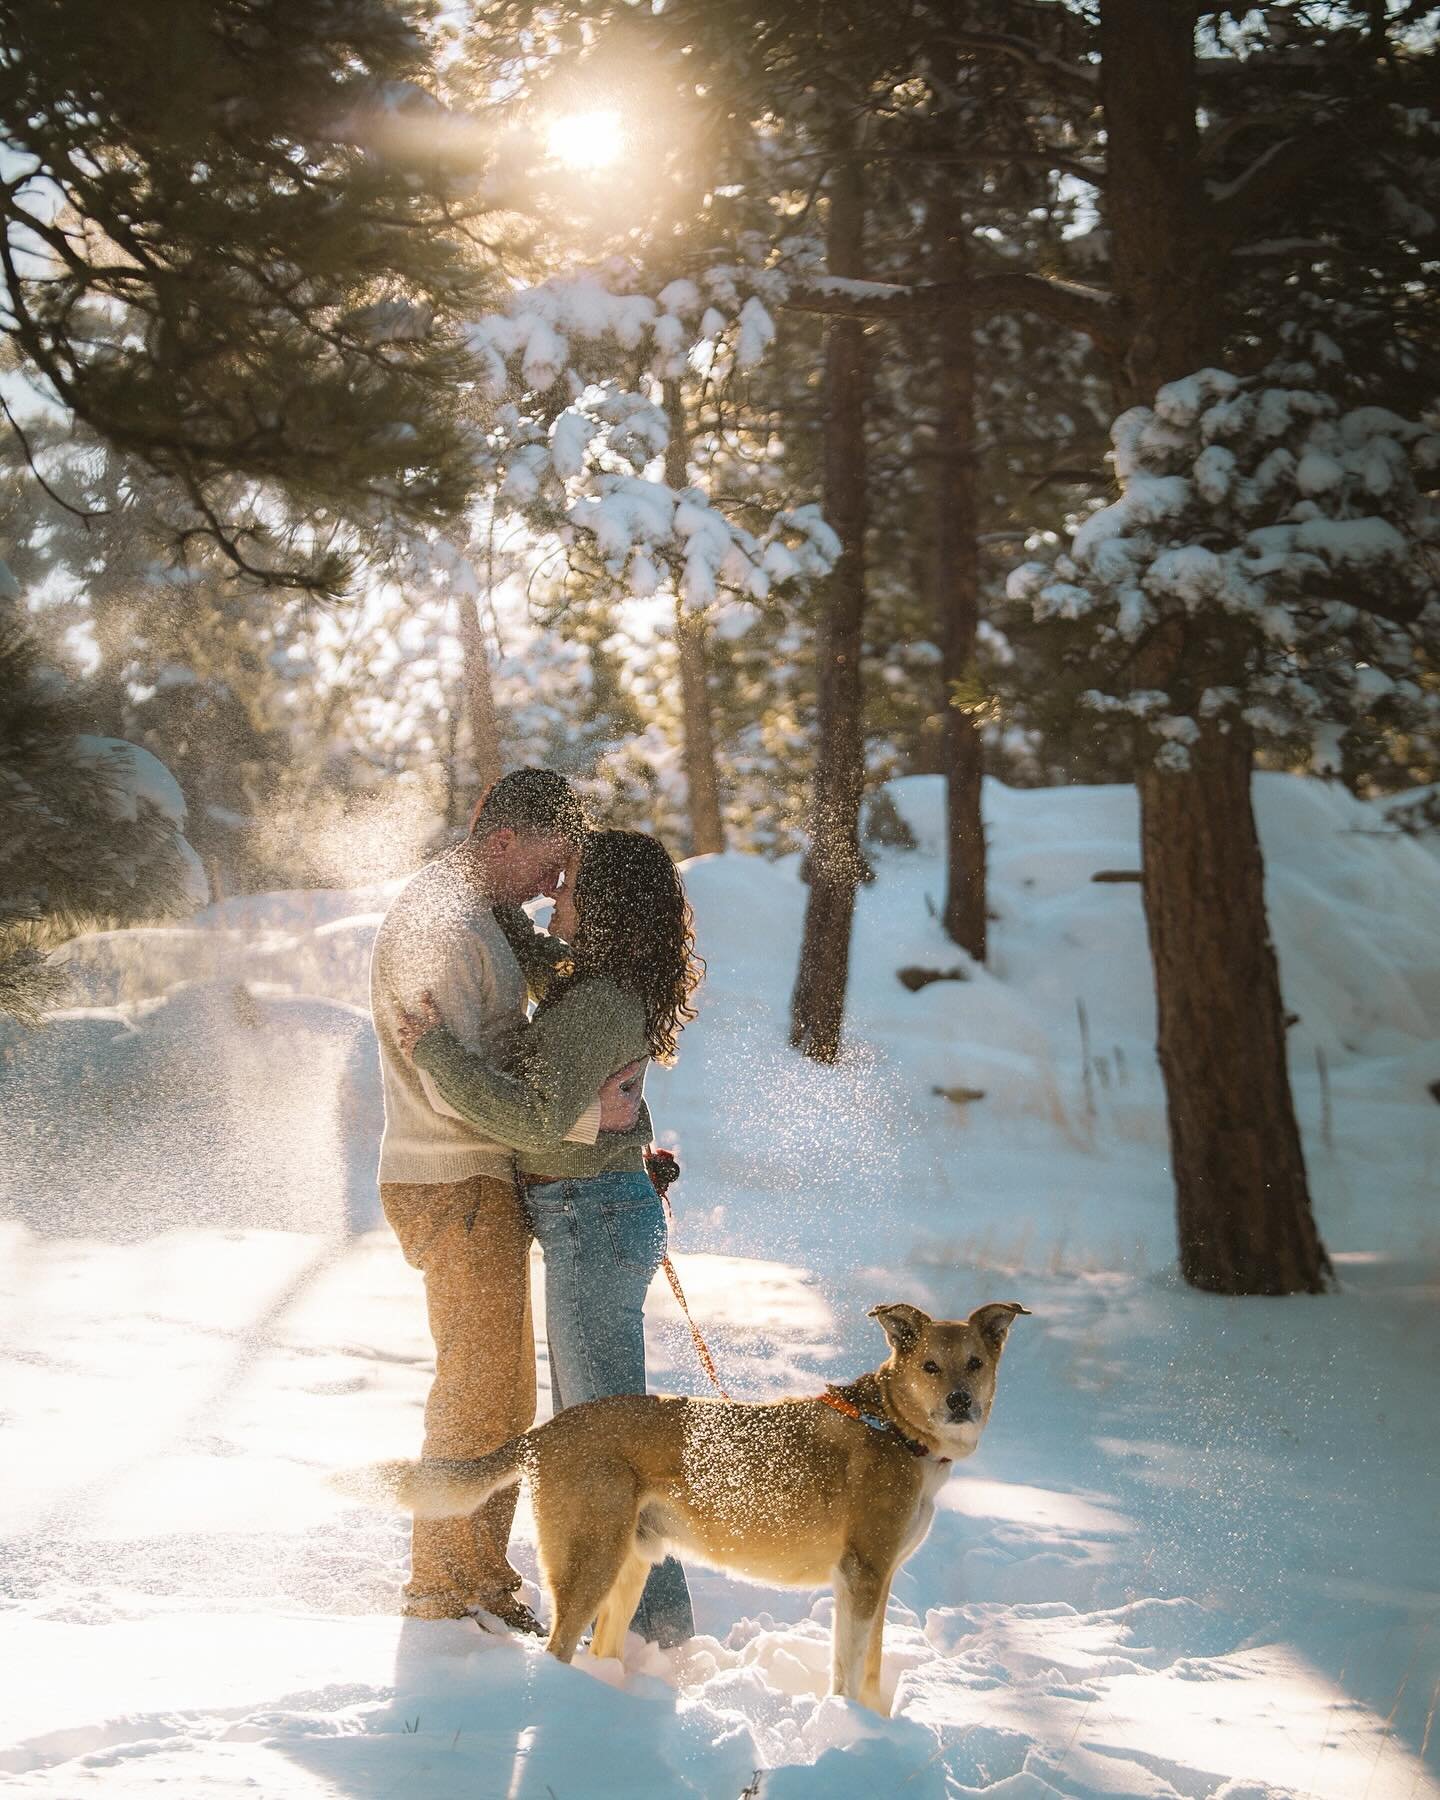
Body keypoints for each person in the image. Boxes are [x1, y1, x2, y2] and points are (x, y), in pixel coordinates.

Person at [395, 829, 702, 1650]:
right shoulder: (593, 982)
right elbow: (541, 964)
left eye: (566, 886)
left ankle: (652, 1635)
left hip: (593, 1220)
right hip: (593, 1216)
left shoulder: (598, 1001)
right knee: (604, 1432)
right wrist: (496, 897)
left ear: (601, 907)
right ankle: (645, 1626)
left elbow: (531, 1116)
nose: (551, 894)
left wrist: (437, 1054)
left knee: (611, 1441)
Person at [369, 769, 638, 1630]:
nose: (555, 886)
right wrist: (580, 1128)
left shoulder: (483, 919)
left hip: (477, 1176)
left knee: (503, 1394)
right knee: (480, 1388)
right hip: (452, 1177)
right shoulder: (441, 926)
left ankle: (479, 1577)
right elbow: (447, 1080)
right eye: (550, 864)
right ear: (504, 842)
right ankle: (445, 1591)